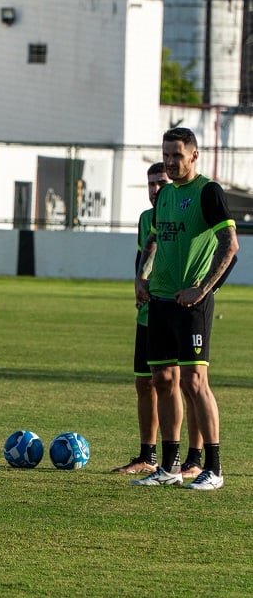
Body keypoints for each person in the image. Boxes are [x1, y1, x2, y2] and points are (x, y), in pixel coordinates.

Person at [132, 127, 239, 491]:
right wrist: (141, 277)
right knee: (163, 380)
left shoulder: (208, 192)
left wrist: (202, 288)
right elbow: (155, 240)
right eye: (166, 155)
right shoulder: (163, 197)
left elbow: (230, 246)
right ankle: (169, 466)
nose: (171, 162)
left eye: (177, 155)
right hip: (160, 301)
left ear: (194, 155)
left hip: (192, 303)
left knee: (195, 382)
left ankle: (214, 468)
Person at [113, 162, 204, 476]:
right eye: (151, 184)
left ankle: (193, 459)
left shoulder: (185, 214)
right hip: (149, 313)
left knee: (188, 384)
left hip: (178, 309)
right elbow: (144, 257)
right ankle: (147, 455)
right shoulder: (146, 219)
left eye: (161, 183)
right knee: (145, 383)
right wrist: (139, 281)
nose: (156, 190)